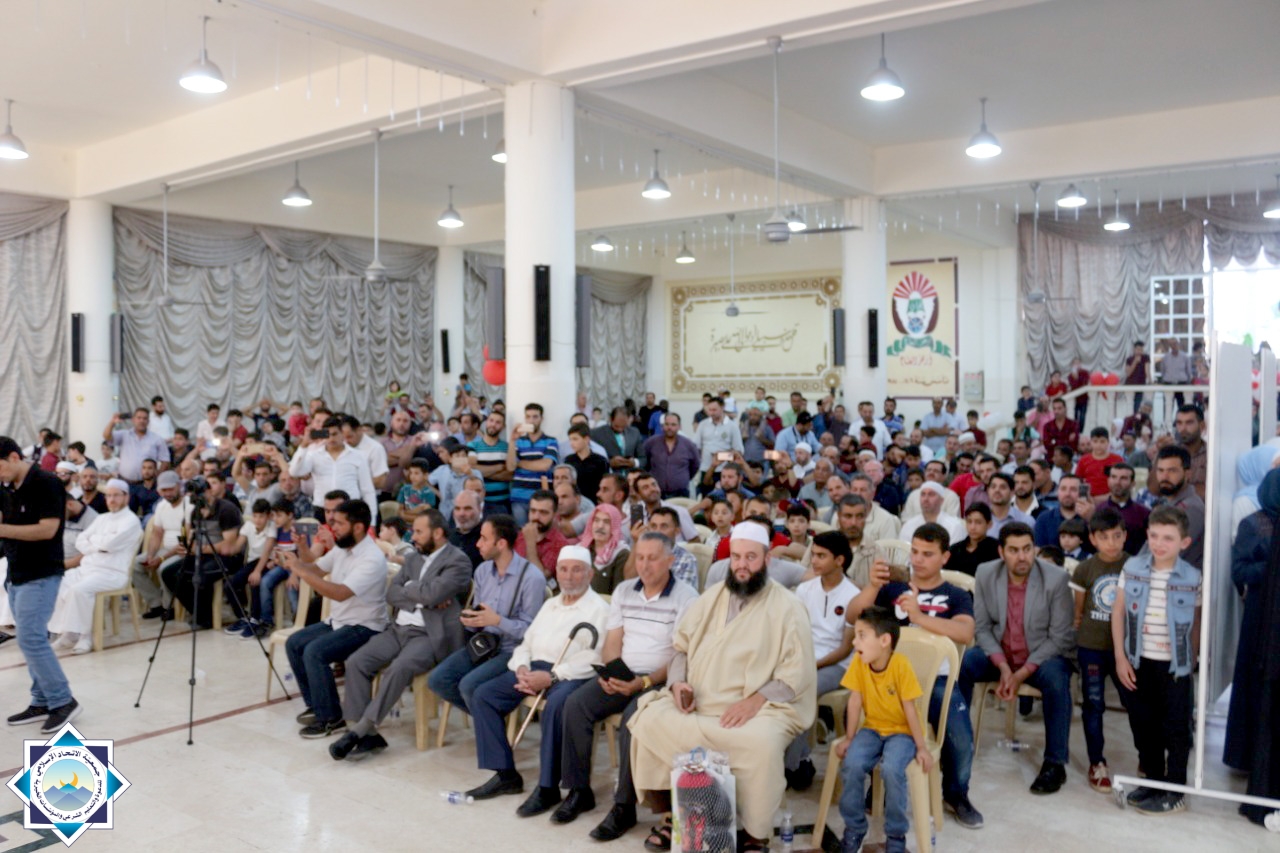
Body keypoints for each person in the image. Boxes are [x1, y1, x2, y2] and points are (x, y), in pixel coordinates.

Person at [628, 523, 816, 851]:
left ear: (767, 559)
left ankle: (755, 834)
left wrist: (755, 701)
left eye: (751, 557)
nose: (742, 565)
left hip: (763, 705)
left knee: (760, 743)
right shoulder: (711, 597)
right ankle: (678, 815)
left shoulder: (788, 607)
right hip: (701, 698)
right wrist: (678, 684)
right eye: (736, 557)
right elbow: (680, 649)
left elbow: (795, 674)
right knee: (649, 718)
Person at [555, 533, 699, 838]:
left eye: (652, 558)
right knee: (575, 705)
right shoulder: (624, 590)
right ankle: (579, 790)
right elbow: (612, 643)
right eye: (640, 557)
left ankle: (624, 806)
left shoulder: (686, 597)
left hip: (660, 681)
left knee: (634, 719)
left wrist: (643, 682)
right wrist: (611, 673)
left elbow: (680, 654)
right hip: (624, 673)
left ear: (670, 561)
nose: (644, 565)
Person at [846, 523, 977, 825]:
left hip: (937, 680)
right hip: (888, 680)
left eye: (927, 554)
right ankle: (879, 786)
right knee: (866, 723)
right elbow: (853, 616)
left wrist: (918, 616)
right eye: (915, 552)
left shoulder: (955, 595)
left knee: (960, 737)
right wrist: (873, 587)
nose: (918, 559)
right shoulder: (892, 590)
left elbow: (965, 633)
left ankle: (956, 793)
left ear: (945, 557)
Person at [464, 545, 610, 806]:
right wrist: (521, 667)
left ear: (590, 574)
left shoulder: (599, 609)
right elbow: (526, 643)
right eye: (563, 570)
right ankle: (506, 774)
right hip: (534, 667)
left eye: (577, 570)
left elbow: (595, 658)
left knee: (556, 705)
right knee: (484, 695)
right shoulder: (550, 604)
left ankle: (547, 787)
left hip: (571, 674)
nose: (569, 576)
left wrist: (552, 676)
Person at [330, 509, 472, 760]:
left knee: (398, 668)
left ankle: (361, 729)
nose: (413, 537)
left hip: (429, 635)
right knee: (356, 662)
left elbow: (433, 594)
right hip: (398, 629)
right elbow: (392, 594)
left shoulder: (458, 561)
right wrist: (421, 593)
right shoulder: (414, 558)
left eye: (418, 532)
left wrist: (415, 590)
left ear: (438, 533)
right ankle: (364, 734)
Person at [958, 522, 1076, 802]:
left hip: (1041, 657)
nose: (1022, 557)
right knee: (964, 664)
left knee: (1058, 679)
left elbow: (1059, 637)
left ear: (1034, 549)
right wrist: (1002, 667)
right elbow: (982, 627)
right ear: (1001, 552)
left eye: (1027, 549)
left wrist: (1020, 673)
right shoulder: (986, 573)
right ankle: (957, 744)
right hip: (1001, 653)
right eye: (1014, 550)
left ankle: (1055, 763)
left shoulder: (1056, 579)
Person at [1111, 505, 1201, 815]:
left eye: (1168, 538)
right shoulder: (1133, 567)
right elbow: (1118, 612)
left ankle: (1175, 790)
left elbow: (1197, 623)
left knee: (1175, 727)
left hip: (1174, 666)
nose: (1159, 544)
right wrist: (1120, 657)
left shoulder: (1193, 577)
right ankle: (1153, 780)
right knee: (1143, 724)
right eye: (1154, 536)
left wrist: (1192, 661)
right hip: (1138, 661)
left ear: (1184, 542)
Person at [281, 499, 388, 739]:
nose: (333, 528)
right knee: (294, 643)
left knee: (315, 652)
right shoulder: (342, 547)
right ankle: (317, 705)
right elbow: (316, 569)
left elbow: (339, 593)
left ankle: (331, 718)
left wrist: (300, 570)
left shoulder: (371, 558)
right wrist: (301, 552)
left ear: (358, 527)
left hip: (366, 627)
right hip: (339, 621)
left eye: (339, 523)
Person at [0, 436, 82, 732]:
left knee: (30, 638)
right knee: (31, 638)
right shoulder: (8, 488)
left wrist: (2, 529)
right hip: (17, 572)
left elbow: (48, 530)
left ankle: (63, 700)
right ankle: (42, 700)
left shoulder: (46, 483)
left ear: (13, 457)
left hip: (42, 572)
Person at [427, 515, 546, 719]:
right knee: (438, 680)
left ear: (501, 544)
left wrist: (497, 621)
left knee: (468, 685)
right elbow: (480, 615)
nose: (478, 544)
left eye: (484, 538)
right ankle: (490, 718)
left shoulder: (532, 578)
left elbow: (531, 633)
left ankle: (489, 719)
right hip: (484, 645)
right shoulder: (482, 571)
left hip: (512, 651)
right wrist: (471, 620)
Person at [836, 605, 933, 853]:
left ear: (884, 640)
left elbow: (910, 709)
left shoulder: (901, 665)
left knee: (891, 769)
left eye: (861, 635)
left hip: (902, 732)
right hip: (872, 729)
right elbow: (855, 701)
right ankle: (855, 828)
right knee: (852, 764)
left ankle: (896, 835)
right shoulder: (859, 662)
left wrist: (921, 747)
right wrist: (849, 738)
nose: (854, 642)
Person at [1070, 508, 1140, 793]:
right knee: (1093, 704)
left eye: (1116, 536)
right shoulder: (1085, 569)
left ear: (1125, 536)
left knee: (1136, 702)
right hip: (1092, 648)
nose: (1111, 542)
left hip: (1127, 650)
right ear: (1092, 539)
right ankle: (1096, 762)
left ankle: (1146, 757)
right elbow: (1079, 610)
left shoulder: (1135, 566)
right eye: (1104, 537)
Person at [1225, 468, 1280, 823]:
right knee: (1255, 687)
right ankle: (1247, 756)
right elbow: (1240, 571)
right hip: (1260, 618)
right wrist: (1271, 568)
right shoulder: (1254, 524)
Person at [784, 531, 858, 790]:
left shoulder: (852, 595)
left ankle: (791, 765)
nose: (813, 560)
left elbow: (845, 648)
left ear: (839, 560)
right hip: (805, 659)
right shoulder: (805, 589)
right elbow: (794, 631)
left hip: (837, 666)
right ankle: (795, 758)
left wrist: (811, 666)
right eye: (813, 554)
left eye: (821, 556)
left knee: (805, 688)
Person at [160, 472, 245, 629]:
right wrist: (189, 547)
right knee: (169, 574)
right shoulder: (196, 511)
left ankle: (205, 618)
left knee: (200, 575)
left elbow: (228, 546)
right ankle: (199, 613)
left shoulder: (226, 509)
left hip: (227, 558)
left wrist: (200, 549)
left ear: (209, 491)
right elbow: (192, 537)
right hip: (202, 553)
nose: (196, 497)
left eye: (200, 493)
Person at [133, 470, 190, 618]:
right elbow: (157, 533)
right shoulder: (161, 506)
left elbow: (186, 542)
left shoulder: (189, 505)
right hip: (165, 549)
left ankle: (169, 607)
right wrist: (151, 555)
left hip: (183, 551)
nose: (168, 493)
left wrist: (162, 558)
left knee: (164, 568)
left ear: (178, 486)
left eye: (171, 489)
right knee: (135, 565)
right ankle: (156, 603)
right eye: (164, 490)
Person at [1152, 445, 1206, 568]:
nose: (1165, 477)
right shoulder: (1166, 503)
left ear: (1188, 474)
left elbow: (1164, 556)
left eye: (1172, 471)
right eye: (1160, 470)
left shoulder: (1191, 509)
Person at [507, 403, 559, 526]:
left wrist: (520, 463)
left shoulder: (551, 441)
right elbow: (510, 466)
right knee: (521, 533)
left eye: (535, 417)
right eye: (528, 417)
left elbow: (545, 465)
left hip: (541, 499)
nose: (531, 420)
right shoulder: (518, 441)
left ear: (541, 419)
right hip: (519, 497)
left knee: (540, 532)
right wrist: (512, 440)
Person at [102, 408, 171, 482]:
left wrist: (157, 476)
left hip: (146, 484)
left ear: (148, 421)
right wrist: (112, 422)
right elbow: (106, 436)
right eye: (139, 418)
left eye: (144, 418)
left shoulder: (157, 439)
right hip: (124, 481)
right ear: (133, 420)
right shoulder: (124, 435)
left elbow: (165, 460)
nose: (141, 421)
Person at [514, 489, 569, 581]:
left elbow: (540, 578)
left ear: (555, 514)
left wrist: (530, 544)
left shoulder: (560, 544)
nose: (536, 517)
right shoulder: (519, 536)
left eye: (543, 512)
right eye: (533, 511)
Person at [643, 412, 700, 499]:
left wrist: (682, 477)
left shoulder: (688, 445)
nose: (669, 428)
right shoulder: (651, 443)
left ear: (679, 427)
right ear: (662, 426)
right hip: (656, 492)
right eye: (667, 424)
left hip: (681, 493)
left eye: (673, 425)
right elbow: (644, 462)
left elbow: (695, 465)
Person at [1099, 462, 1149, 555]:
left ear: (1133, 483)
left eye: (1123, 478)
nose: (1117, 482)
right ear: (1108, 480)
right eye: (1113, 477)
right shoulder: (1098, 510)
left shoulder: (1144, 513)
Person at [580, 504, 630, 594]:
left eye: (606, 522)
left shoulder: (621, 554)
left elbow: (618, 593)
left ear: (614, 527)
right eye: (596, 520)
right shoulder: (581, 549)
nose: (600, 526)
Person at [900, 481, 965, 545]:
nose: (926, 499)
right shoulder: (909, 525)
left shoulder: (954, 527)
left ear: (941, 500)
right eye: (923, 494)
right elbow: (903, 550)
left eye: (931, 494)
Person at [947, 504, 1001, 577]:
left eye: (978, 522)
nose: (972, 527)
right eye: (969, 522)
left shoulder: (996, 549)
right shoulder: (955, 550)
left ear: (989, 524)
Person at [1034, 474, 1084, 548]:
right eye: (1063, 489)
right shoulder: (1044, 519)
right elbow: (1038, 549)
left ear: (1082, 493)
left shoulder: (1088, 519)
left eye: (1073, 489)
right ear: (1057, 491)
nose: (1067, 494)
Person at [1075, 427, 1122, 500]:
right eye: (1095, 441)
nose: (1098, 445)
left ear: (1108, 442)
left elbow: (1122, 482)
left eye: (1102, 442)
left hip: (1112, 499)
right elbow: (1077, 481)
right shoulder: (1083, 460)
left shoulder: (1117, 460)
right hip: (1089, 499)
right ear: (1091, 442)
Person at [1159, 338, 1193, 410]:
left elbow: (1188, 371)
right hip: (1168, 383)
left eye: (1174, 344)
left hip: (1181, 383)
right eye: (1171, 344)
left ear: (1178, 344)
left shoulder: (1185, 357)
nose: (1173, 346)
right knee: (1167, 406)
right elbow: (1163, 371)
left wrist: (1189, 382)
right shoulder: (1165, 357)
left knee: (1181, 406)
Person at [1125, 341, 1150, 414]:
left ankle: (1135, 417)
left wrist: (1150, 381)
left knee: (1137, 405)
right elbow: (1128, 373)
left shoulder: (1145, 358)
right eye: (1138, 349)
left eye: (1141, 350)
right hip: (1130, 384)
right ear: (1134, 349)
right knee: (1129, 405)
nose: (1139, 351)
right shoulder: (1129, 359)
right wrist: (1135, 362)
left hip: (1140, 384)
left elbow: (1147, 371)